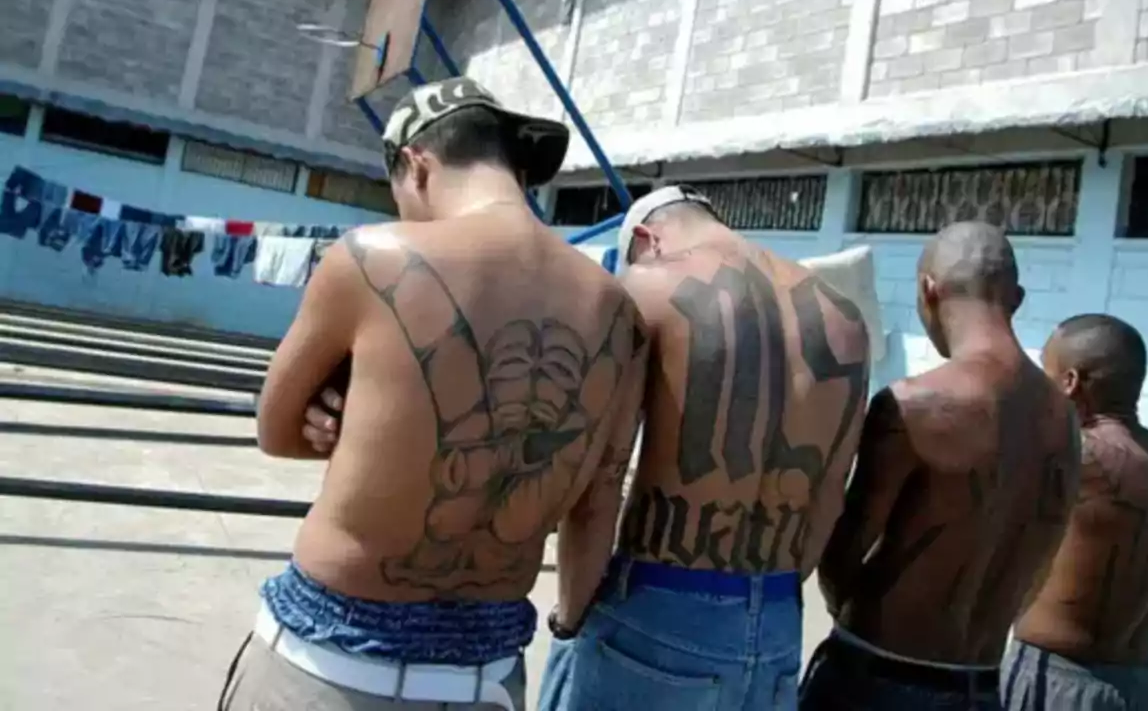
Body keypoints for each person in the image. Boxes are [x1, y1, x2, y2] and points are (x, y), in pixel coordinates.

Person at [219, 77, 649, 711]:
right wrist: (566, 626)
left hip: (327, 663)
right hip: (485, 676)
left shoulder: (371, 258)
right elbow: (598, 496)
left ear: (416, 166)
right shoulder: (618, 311)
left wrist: (345, 426)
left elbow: (275, 430)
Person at [545, 185, 872, 710]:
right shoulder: (841, 313)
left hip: (660, 602)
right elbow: (831, 492)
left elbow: (601, 481)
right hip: (777, 614)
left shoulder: (648, 286)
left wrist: (569, 614)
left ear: (648, 238)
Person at [800, 221, 1082, 710]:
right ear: (1016, 299)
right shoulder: (1065, 420)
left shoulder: (915, 405)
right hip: (981, 685)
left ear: (928, 290)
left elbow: (840, 556)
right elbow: (1040, 562)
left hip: (877, 677)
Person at [1003, 314, 1148, 711]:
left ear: (1070, 382)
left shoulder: (1076, 454)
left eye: (1046, 372)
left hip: (1057, 685)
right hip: (1136, 687)